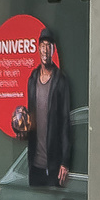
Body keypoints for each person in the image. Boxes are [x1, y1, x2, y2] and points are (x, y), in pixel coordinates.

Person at [25, 26, 73, 188]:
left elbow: (66, 121)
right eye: (42, 45)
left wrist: (65, 162)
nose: (45, 50)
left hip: (55, 165)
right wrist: (21, 130)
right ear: (38, 49)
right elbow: (30, 119)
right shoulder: (32, 80)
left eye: (49, 46)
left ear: (53, 50)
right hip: (35, 165)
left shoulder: (61, 80)